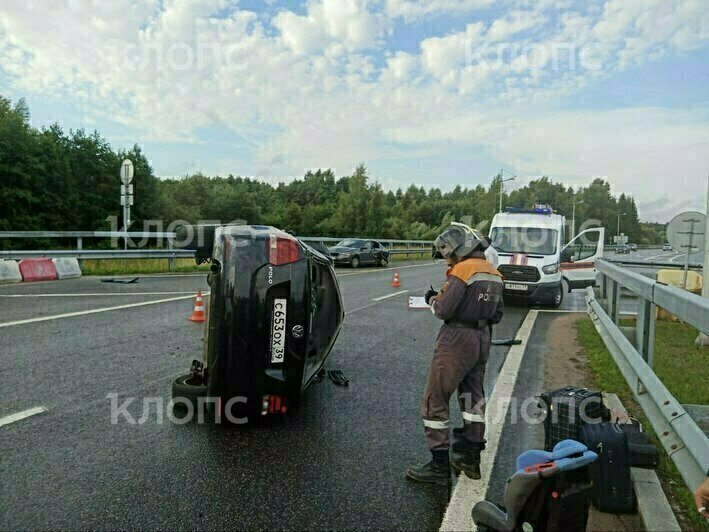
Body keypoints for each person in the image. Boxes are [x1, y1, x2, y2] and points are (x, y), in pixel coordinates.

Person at [406, 225, 504, 485]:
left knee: (434, 399)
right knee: (473, 397)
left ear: (457, 249)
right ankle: (470, 459)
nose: (446, 261)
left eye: (447, 255)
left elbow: (443, 310)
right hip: (482, 338)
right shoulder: (494, 273)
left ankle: (438, 468)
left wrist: (431, 299)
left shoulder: (462, 270)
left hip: (457, 340)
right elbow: (497, 315)